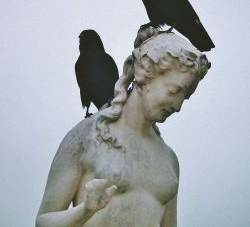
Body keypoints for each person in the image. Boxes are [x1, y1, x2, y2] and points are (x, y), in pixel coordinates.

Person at [36, 31, 210, 227]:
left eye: (184, 97)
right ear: (143, 72)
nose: (178, 106)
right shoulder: (86, 136)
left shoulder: (169, 160)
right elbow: (43, 222)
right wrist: (85, 212)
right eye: (174, 90)